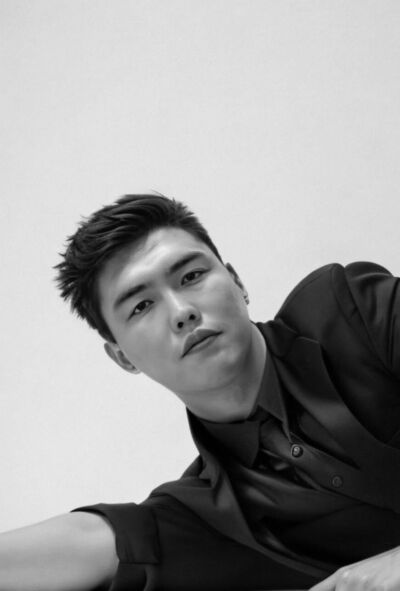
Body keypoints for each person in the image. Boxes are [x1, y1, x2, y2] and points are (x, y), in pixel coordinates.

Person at [1, 194, 399, 591]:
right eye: (141, 306)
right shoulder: (203, 513)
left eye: (191, 276)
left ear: (237, 282)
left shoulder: (351, 311)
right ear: (123, 358)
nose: (182, 312)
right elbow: (97, 542)